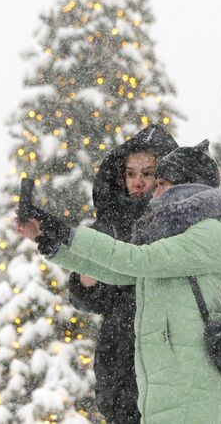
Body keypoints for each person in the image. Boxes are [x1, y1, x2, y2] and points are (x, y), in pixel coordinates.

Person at [17, 140, 221, 424]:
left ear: (186, 188)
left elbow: (134, 260)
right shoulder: (176, 237)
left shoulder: (208, 234)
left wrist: (62, 228)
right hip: (166, 388)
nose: (152, 192)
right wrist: (48, 242)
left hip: (191, 387)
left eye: (159, 183)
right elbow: (117, 274)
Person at [67, 125, 178, 424]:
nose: (138, 182)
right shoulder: (109, 224)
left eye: (147, 173)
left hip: (172, 353)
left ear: (165, 175)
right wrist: (85, 282)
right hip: (120, 356)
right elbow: (84, 295)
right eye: (131, 173)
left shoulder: (183, 221)